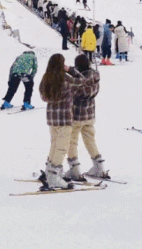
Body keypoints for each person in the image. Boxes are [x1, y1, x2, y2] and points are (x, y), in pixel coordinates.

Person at [38, 53, 99, 189]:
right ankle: (54, 177)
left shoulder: (46, 78)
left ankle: (49, 172)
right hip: (65, 118)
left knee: (54, 145)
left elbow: (43, 96)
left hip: (51, 118)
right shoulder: (66, 78)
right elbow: (83, 81)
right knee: (61, 148)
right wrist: (71, 70)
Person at [65, 54, 107, 182]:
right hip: (89, 115)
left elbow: (75, 90)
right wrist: (71, 70)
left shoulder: (80, 82)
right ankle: (99, 166)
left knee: (71, 141)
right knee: (90, 140)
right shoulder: (94, 77)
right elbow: (83, 77)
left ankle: (74, 169)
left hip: (77, 116)